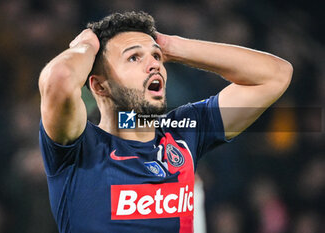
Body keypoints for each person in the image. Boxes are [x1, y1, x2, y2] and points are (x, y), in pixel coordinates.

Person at [38, 11, 292, 233]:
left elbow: (275, 76)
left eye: (157, 57)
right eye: (134, 58)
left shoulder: (183, 132)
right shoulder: (79, 148)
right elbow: (59, 78)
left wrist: (173, 46)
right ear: (100, 86)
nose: (154, 66)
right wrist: (86, 46)